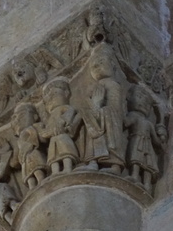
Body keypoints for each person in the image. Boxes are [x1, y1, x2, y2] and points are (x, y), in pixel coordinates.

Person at [83, 46, 127, 175]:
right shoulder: (96, 86)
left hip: (111, 119)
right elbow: (90, 103)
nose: (96, 66)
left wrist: (98, 105)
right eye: (93, 65)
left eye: (101, 61)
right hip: (98, 117)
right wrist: (94, 104)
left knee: (106, 129)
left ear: (113, 65)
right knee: (92, 127)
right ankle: (93, 161)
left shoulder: (114, 85)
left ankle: (115, 166)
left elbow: (116, 108)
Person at [124, 85, 164, 194]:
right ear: (128, 97)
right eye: (139, 96)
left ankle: (147, 185)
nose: (143, 103)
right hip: (137, 140)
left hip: (146, 144)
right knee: (136, 158)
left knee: (148, 165)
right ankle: (135, 176)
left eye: (148, 103)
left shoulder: (149, 123)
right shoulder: (133, 115)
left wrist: (161, 141)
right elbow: (126, 123)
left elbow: (155, 141)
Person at [39, 77, 82, 175]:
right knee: (53, 156)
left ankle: (68, 168)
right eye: (47, 98)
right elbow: (47, 129)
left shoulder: (65, 107)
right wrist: (44, 132)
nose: (51, 99)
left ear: (66, 93)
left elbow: (68, 116)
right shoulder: (51, 115)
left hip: (63, 136)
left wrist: (62, 121)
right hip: (53, 138)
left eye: (54, 94)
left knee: (66, 152)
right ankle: (55, 172)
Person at [10, 102, 47, 189]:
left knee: (37, 169)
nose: (17, 120)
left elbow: (44, 138)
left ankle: (42, 180)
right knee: (28, 176)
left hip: (34, 153)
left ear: (35, 117)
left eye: (22, 115)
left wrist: (33, 142)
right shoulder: (18, 140)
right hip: (24, 160)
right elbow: (14, 163)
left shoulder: (35, 127)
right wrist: (4, 157)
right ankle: (32, 188)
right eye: (14, 118)